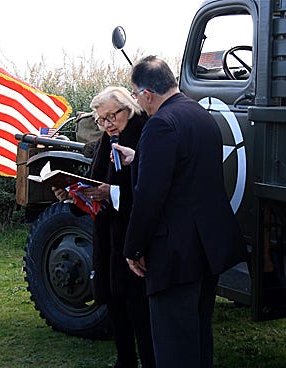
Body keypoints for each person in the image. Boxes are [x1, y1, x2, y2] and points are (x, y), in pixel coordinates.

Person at [116, 56, 247, 368]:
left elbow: (150, 196)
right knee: (198, 335)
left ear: (147, 93)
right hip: (206, 248)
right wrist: (141, 157)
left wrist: (133, 248)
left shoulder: (160, 124)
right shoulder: (200, 114)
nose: (138, 103)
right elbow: (187, 171)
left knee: (175, 345)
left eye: (135, 96)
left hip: (175, 252)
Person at [53, 86, 155, 368]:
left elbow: (148, 190)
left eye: (113, 116)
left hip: (135, 235)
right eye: (101, 119)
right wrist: (72, 194)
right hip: (108, 235)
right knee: (115, 302)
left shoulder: (144, 133)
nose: (108, 124)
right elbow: (93, 181)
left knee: (139, 307)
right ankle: (125, 360)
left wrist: (111, 192)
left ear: (128, 109)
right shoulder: (105, 140)